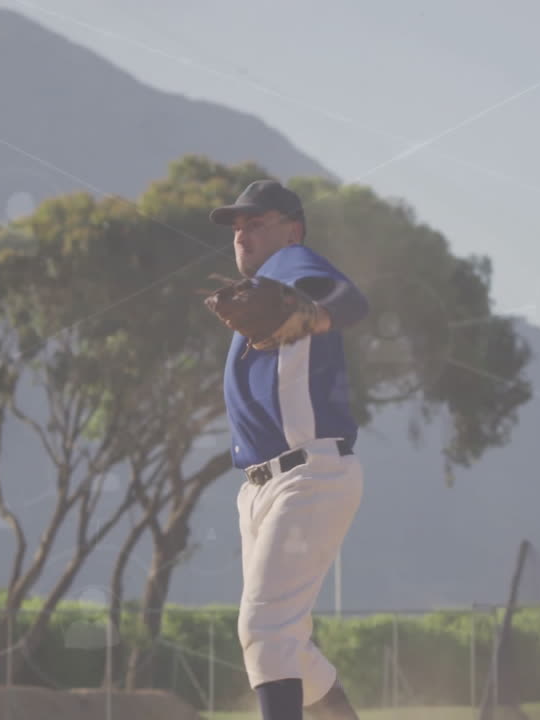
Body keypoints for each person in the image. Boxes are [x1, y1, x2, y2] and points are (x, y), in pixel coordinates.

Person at [209, 180, 369, 720]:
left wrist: (316, 316)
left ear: (292, 229)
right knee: (287, 644)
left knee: (264, 628)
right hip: (261, 486)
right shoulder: (262, 294)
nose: (242, 234)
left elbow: (351, 301)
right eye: (237, 228)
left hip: (308, 474)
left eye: (257, 222)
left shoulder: (291, 266)